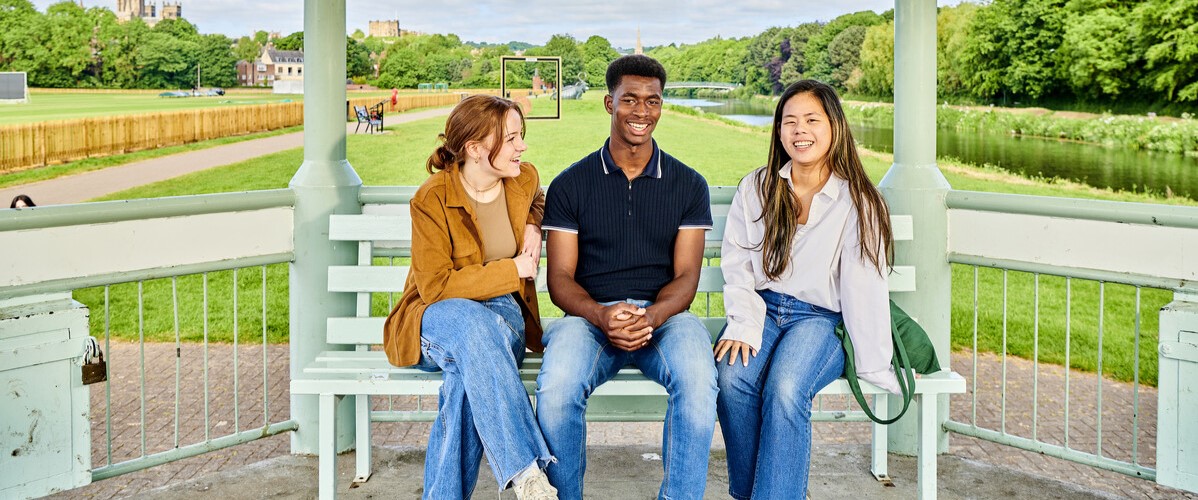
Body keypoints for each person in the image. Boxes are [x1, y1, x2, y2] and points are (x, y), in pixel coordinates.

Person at [535, 54, 718, 500]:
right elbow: (559, 278)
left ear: (661, 106)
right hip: (589, 319)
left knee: (698, 381)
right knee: (557, 390)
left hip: (666, 319)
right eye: (630, 100)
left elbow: (687, 277)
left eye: (652, 101)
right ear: (608, 103)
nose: (642, 112)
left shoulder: (689, 184)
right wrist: (601, 314)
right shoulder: (571, 184)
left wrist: (651, 316)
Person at [714, 79, 902, 499]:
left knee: (786, 388)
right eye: (790, 121)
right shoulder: (758, 187)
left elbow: (863, 284)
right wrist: (743, 324)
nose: (801, 131)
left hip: (819, 321)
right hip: (761, 311)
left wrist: (873, 361)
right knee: (731, 380)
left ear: (834, 126)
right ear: (778, 131)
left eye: (812, 120)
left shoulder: (858, 200)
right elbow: (738, 264)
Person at [381, 94, 556, 500]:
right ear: (475, 149)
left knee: (467, 375)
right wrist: (512, 270)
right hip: (436, 317)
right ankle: (526, 470)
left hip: (501, 316)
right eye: (511, 139)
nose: (522, 147)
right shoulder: (432, 199)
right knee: (470, 328)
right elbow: (436, 287)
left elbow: (539, 199)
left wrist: (533, 225)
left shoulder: (523, 178)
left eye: (520, 136)